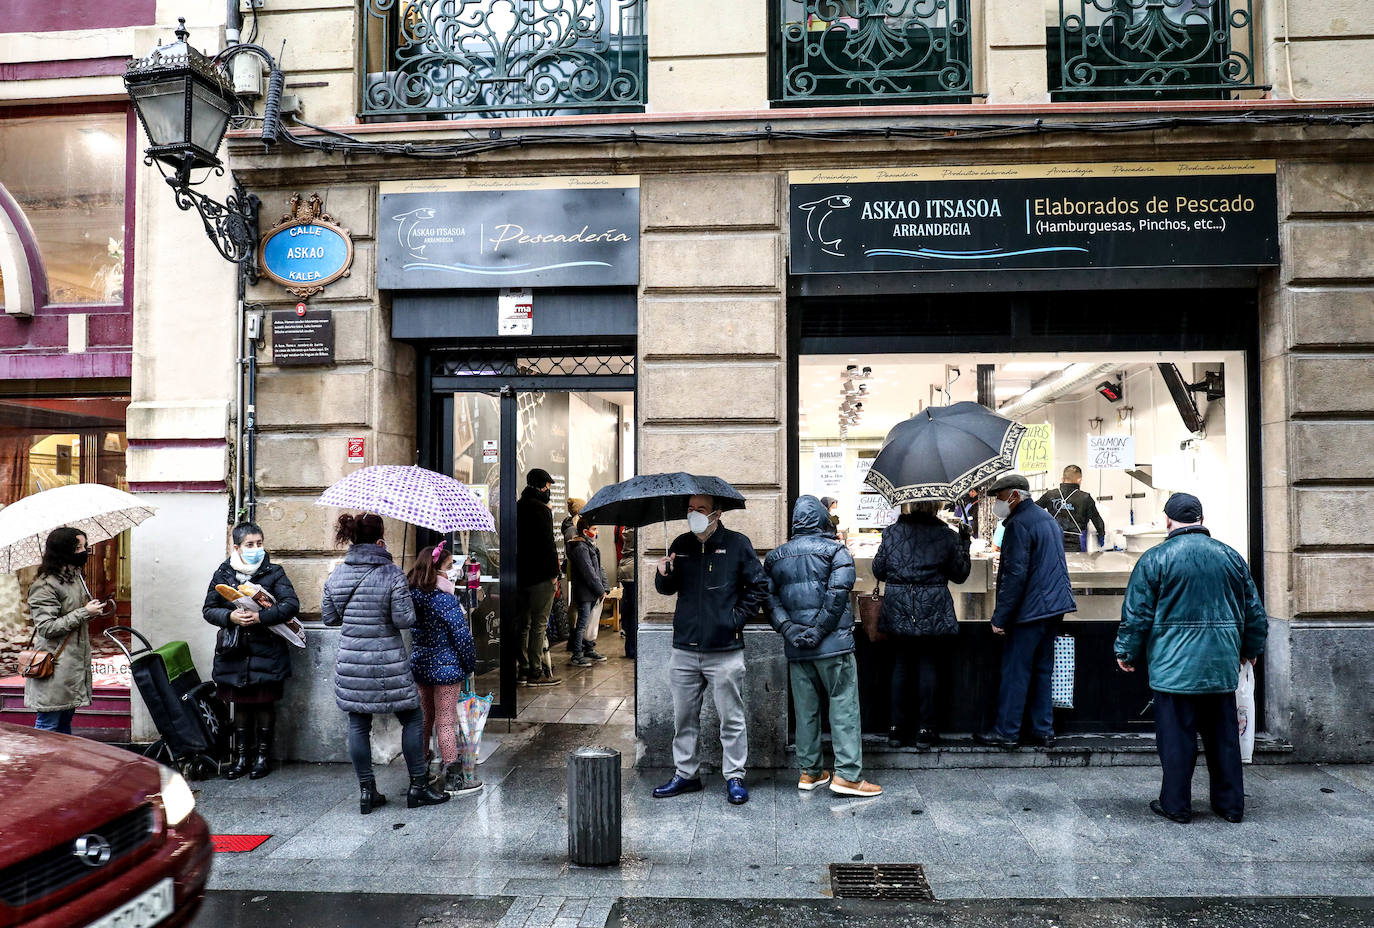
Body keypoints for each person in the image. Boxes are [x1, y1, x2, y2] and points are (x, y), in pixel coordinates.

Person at [1114, 493, 1268, 824]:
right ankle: (1230, 806)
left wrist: (1127, 651)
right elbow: (1254, 611)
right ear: (1201, 519)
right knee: (1224, 739)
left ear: (1168, 520)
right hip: (1219, 666)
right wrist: (1251, 650)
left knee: (1176, 741)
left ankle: (1176, 805)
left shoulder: (1155, 559)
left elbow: (1137, 614)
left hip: (1174, 669)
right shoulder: (1230, 557)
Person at [322, 513, 450, 814]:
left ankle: (367, 792)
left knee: (358, 723)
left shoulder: (337, 574)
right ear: (381, 538)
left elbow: (329, 618)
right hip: (388, 662)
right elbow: (404, 620)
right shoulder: (391, 573)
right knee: (412, 719)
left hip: (352, 662)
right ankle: (418, 786)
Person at [652, 494, 769, 805]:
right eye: (690, 509)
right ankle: (686, 774)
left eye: (700, 509)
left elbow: (759, 585)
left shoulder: (736, 543)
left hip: (725, 649)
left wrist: (735, 618)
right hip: (685, 648)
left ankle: (735, 776)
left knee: (731, 717)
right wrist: (663, 573)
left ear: (716, 514)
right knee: (684, 717)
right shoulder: (679, 544)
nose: (693, 514)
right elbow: (668, 589)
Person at [765, 495, 881, 797]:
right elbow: (838, 596)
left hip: (797, 648)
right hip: (834, 647)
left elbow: (769, 601)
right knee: (843, 707)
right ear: (822, 520)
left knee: (806, 711)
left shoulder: (776, 557)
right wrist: (818, 632)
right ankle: (848, 776)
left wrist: (790, 630)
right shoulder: (836, 552)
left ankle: (810, 772)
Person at [974, 473, 1077, 750]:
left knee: (1016, 671)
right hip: (1055, 607)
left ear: (1015, 496)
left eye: (1000, 498)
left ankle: (1007, 731)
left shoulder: (1019, 524)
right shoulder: (1047, 520)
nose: (998, 503)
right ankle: (1043, 730)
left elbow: (1015, 575)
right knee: (1043, 670)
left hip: (1031, 609)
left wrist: (1000, 617)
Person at [202, 521, 300, 780]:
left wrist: (261, 618)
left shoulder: (274, 572)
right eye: (250, 544)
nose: (256, 548)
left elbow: (291, 605)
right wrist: (230, 616)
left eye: (259, 543)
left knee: (264, 703)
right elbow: (208, 609)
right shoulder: (223, 574)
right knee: (241, 705)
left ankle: (262, 757)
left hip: (267, 651)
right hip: (235, 651)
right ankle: (242, 757)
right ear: (237, 547)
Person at [872, 500, 972, 748]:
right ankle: (926, 730)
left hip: (899, 606)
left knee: (901, 665)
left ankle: (895, 730)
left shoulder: (892, 532)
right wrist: (964, 542)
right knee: (928, 665)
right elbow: (960, 575)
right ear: (936, 508)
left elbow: (879, 570)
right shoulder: (946, 535)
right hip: (932, 606)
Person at [406, 542, 481, 796]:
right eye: (449, 567)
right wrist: (469, 665)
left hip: (421, 666)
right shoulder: (444, 600)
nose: (454, 571)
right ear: (437, 570)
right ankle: (454, 778)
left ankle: (420, 772)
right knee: (446, 721)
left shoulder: (412, 595)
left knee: (425, 719)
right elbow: (462, 637)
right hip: (447, 669)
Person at [24, 527, 105, 734]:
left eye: (85, 546)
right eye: (79, 547)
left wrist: (90, 610)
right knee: (48, 726)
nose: (84, 551)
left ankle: (60, 766)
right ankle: (43, 766)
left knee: (64, 726)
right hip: (54, 666)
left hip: (71, 666)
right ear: (64, 550)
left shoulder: (75, 579)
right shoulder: (45, 585)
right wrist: (84, 612)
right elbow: (46, 627)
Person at [515, 468, 561, 687]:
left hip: (520, 575)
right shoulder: (541, 510)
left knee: (522, 624)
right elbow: (548, 545)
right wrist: (555, 574)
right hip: (541, 576)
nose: (548, 490)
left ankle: (522, 669)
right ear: (541, 486)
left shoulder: (517, 507)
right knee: (539, 625)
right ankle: (535, 671)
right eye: (548, 486)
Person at [566, 516, 610, 666]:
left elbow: (599, 568)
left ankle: (588, 649)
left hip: (592, 591)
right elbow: (589, 572)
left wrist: (605, 587)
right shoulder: (581, 548)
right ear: (585, 531)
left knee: (591, 621)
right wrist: (600, 589)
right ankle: (577, 654)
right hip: (585, 592)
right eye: (594, 529)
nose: (596, 532)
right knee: (583, 623)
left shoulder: (590, 545)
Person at [1036, 465, 1106, 553]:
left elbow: (1032, 510)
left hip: (1053, 541)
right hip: (1076, 544)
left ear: (1062, 479)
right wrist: (1101, 534)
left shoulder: (1050, 495)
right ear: (1079, 480)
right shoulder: (1085, 498)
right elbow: (1097, 520)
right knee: (1075, 566)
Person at [618, 527, 637, 660]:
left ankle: (629, 648)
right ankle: (632, 649)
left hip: (626, 569)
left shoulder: (627, 529)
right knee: (634, 612)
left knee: (629, 610)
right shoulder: (637, 530)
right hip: (632, 571)